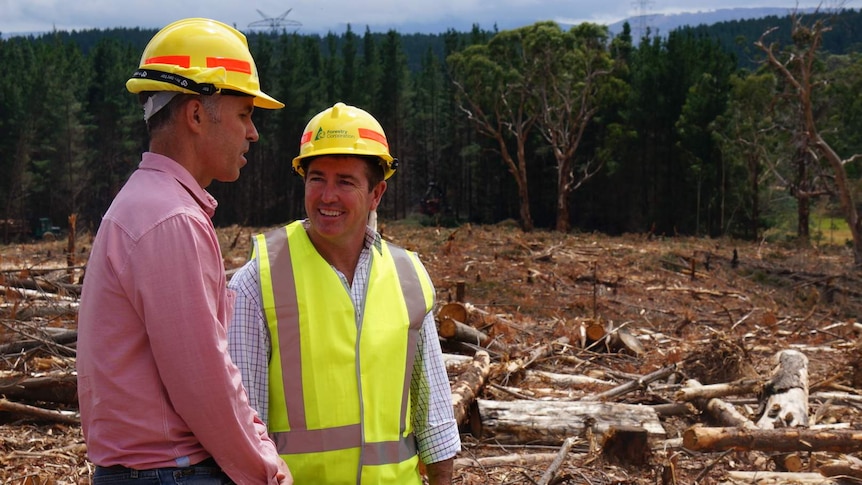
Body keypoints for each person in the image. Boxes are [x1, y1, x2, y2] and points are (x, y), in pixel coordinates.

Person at [76, 18, 293, 485]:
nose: (253, 133)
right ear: (195, 115)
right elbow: (205, 383)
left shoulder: (145, 204)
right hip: (170, 474)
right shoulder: (172, 220)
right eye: (243, 114)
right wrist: (265, 470)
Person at [227, 102, 462, 484]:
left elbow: (434, 419)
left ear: (377, 193)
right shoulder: (259, 280)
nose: (327, 196)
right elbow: (242, 428)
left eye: (345, 182)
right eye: (316, 178)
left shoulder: (409, 279)